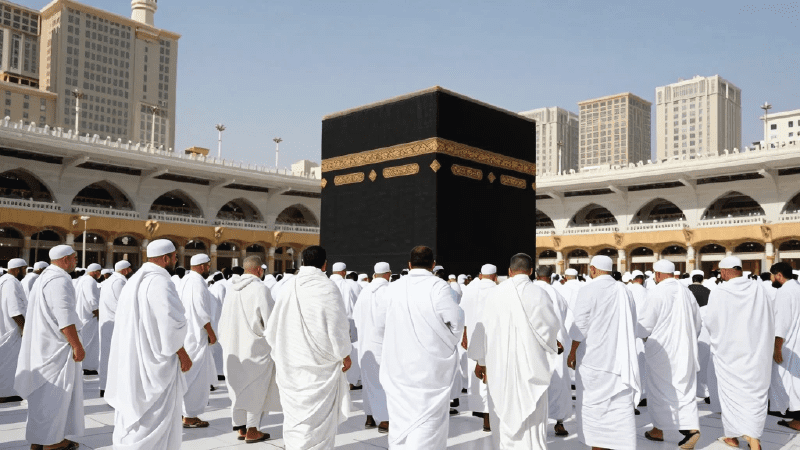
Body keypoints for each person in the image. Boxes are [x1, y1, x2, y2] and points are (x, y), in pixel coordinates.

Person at [106, 239, 192, 450]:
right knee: (153, 416)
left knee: (138, 412)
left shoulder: (134, 281)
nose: (176, 261)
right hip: (155, 363)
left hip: (136, 358)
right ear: (165, 258)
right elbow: (170, 324)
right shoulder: (160, 282)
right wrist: (182, 353)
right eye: (174, 257)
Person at [470, 254, 560, 449]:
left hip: (500, 368)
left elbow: (483, 328)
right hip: (531, 370)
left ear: (509, 271)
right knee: (532, 419)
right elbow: (551, 328)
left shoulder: (495, 294)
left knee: (502, 416)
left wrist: (481, 362)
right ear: (530, 271)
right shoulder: (539, 294)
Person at [265, 245, 352, 449]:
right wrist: (344, 354)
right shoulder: (328, 287)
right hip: (321, 367)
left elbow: (272, 328)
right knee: (318, 422)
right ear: (324, 265)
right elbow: (338, 326)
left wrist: (284, 351)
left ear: (302, 262)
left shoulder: (288, 286)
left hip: (291, 365)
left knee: (295, 417)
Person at [380, 246, 464, 449]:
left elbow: (385, 320)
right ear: (433, 265)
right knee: (428, 423)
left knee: (401, 422)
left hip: (398, 368)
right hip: (429, 371)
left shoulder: (394, 287)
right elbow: (456, 321)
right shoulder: (438, 286)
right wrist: (448, 340)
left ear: (409, 265)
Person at [567, 255, 640, 450]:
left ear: (592, 269)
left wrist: (572, 351)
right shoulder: (625, 290)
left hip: (594, 359)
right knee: (619, 407)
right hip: (620, 360)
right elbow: (633, 323)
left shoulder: (588, 290)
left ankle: (599, 447)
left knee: (595, 408)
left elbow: (579, 327)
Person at [15, 245, 84, 450]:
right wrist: (77, 345)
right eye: (74, 258)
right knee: (55, 397)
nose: (76, 261)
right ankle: (53, 443)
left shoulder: (44, 277)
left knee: (42, 398)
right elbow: (65, 317)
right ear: (65, 260)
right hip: (56, 349)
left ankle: (40, 440)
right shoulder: (59, 279)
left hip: (44, 347)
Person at [704, 256, 773, 450]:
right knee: (754, 395)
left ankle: (744, 438)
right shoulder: (760, 288)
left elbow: (711, 322)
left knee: (731, 394)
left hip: (730, 353)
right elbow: (769, 316)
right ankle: (748, 436)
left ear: (724, 271)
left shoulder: (720, 291)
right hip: (756, 351)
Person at [636, 260, 702, 448]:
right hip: (686, 350)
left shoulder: (657, 292)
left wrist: (640, 335)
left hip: (663, 351)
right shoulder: (686, 291)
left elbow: (645, 325)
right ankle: (674, 429)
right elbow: (697, 323)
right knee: (684, 389)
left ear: (657, 275)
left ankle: (676, 430)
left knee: (659, 390)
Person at [219, 256, 279, 443]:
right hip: (255, 347)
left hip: (232, 346)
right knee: (256, 388)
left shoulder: (231, 289)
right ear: (259, 270)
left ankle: (241, 428)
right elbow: (271, 321)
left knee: (238, 387)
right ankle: (252, 429)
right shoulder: (260, 288)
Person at [177, 253, 217, 428]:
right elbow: (201, 311)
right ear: (202, 266)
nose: (209, 268)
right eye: (208, 266)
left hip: (187, 334)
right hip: (196, 336)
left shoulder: (186, 280)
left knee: (187, 376)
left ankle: (184, 412)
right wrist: (210, 332)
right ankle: (190, 416)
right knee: (196, 377)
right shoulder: (198, 282)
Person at [352, 262, 392, 433]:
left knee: (369, 382)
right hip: (383, 344)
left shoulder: (364, 292)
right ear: (388, 274)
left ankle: (369, 417)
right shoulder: (390, 291)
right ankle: (384, 420)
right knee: (384, 384)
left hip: (365, 344)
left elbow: (355, 316)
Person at [532, 265, 572, 437]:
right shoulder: (558, 294)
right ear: (550, 277)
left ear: (536, 275)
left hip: (535, 341)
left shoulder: (531, 291)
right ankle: (559, 423)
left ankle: (535, 423)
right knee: (558, 382)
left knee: (535, 380)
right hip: (557, 343)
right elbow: (567, 320)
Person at [460, 263, 497, 430]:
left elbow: (463, 314)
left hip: (474, 338)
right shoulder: (498, 291)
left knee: (477, 378)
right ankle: (490, 418)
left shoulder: (470, 290)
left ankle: (484, 416)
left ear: (480, 275)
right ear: (495, 276)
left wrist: (465, 334)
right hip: (493, 340)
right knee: (492, 378)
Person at [768, 262, 800, 430]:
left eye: (772, 275)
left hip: (789, 344)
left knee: (788, 381)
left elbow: (782, 323)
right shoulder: (798, 288)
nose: (771, 279)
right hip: (797, 342)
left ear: (779, 275)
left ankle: (796, 418)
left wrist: (777, 347)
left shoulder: (785, 292)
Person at [98, 260, 132, 398]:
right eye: (129, 269)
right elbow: (124, 305)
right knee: (116, 357)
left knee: (107, 356)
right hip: (115, 324)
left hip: (108, 323)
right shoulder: (120, 282)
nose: (131, 272)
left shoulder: (109, 281)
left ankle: (105, 387)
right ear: (125, 270)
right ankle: (111, 389)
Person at [330, 261, 361, 389]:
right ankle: (348, 383)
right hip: (342, 325)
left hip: (326, 326)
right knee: (345, 354)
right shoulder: (345, 285)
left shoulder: (326, 282)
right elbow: (348, 310)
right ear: (343, 272)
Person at [0, 258, 27, 403]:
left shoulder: (5, 280)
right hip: (11, 330)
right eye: (24, 269)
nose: (25, 272)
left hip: (5, 328)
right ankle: (5, 394)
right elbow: (15, 310)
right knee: (8, 363)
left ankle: (8, 392)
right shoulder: (11, 282)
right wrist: (24, 329)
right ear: (17, 269)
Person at [687, 270, 712, 402]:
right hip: (704, 328)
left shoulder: (686, 290)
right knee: (704, 360)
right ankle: (705, 391)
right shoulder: (708, 291)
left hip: (688, 326)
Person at [75, 262, 102, 374]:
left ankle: (84, 366)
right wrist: (98, 312)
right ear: (96, 272)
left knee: (85, 342)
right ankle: (88, 367)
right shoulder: (90, 281)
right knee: (91, 344)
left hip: (82, 315)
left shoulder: (81, 280)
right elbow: (92, 300)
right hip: (89, 317)